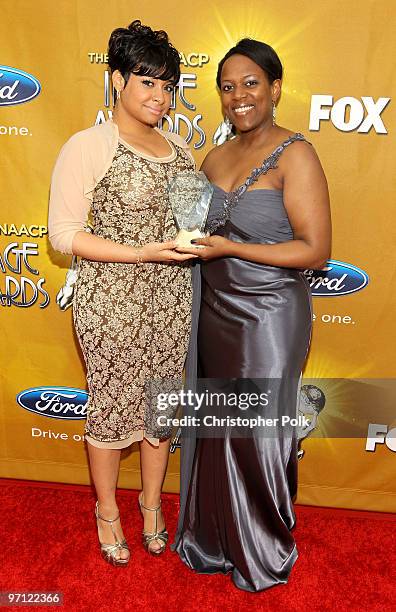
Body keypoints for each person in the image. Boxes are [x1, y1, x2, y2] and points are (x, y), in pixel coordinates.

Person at [174, 38, 331, 591]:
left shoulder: (296, 154)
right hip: (215, 311)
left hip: (270, 314)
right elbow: (192, 232)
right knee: (219, 428)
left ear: (275, 88)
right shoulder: (214, 157)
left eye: (250, 84)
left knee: (259, 433)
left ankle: (261, 547)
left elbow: (315, 251)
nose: (238, 96)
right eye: (226, 87)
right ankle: (214, 539)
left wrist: (232, 249)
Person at [48, 20, 198, 565]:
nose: (159, 96)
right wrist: (140, 252)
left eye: (167, 85)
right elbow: (62, 235)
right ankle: (107, 511)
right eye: (146, 81)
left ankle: (152, 506)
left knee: (161, 412)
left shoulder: (180, 149)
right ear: (116, 81)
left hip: (171, 301)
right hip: (111, 302)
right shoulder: (89, 145)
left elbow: (190, 223)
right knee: (112, 411)